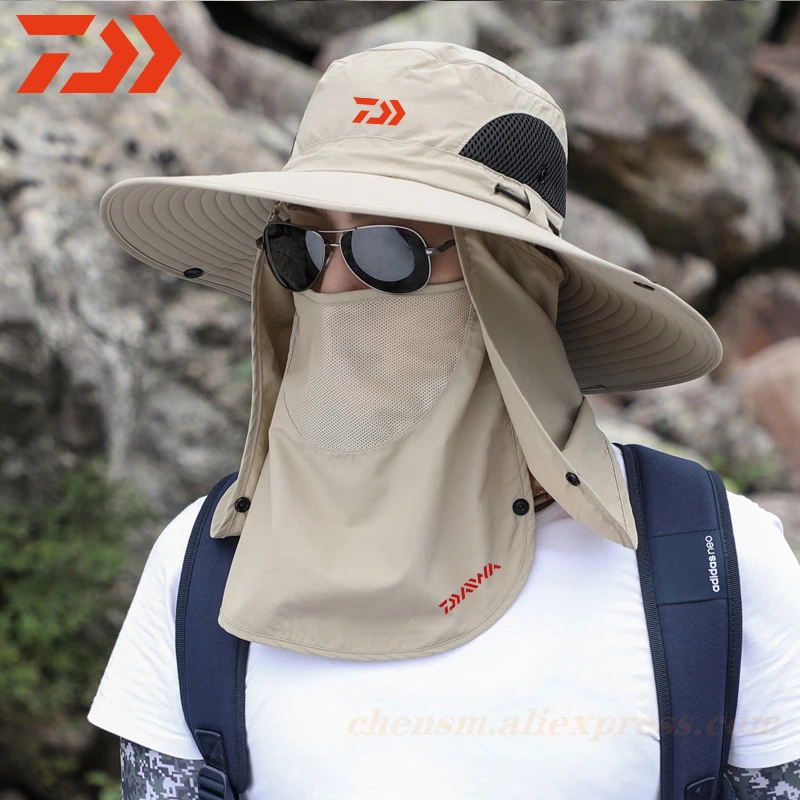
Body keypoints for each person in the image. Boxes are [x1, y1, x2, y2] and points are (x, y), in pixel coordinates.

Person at [87, 41, 800, 799]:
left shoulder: (706, 558)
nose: (331, 289)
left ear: (518, 280)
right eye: (299, 246)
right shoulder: (207, 565)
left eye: (390, 249)